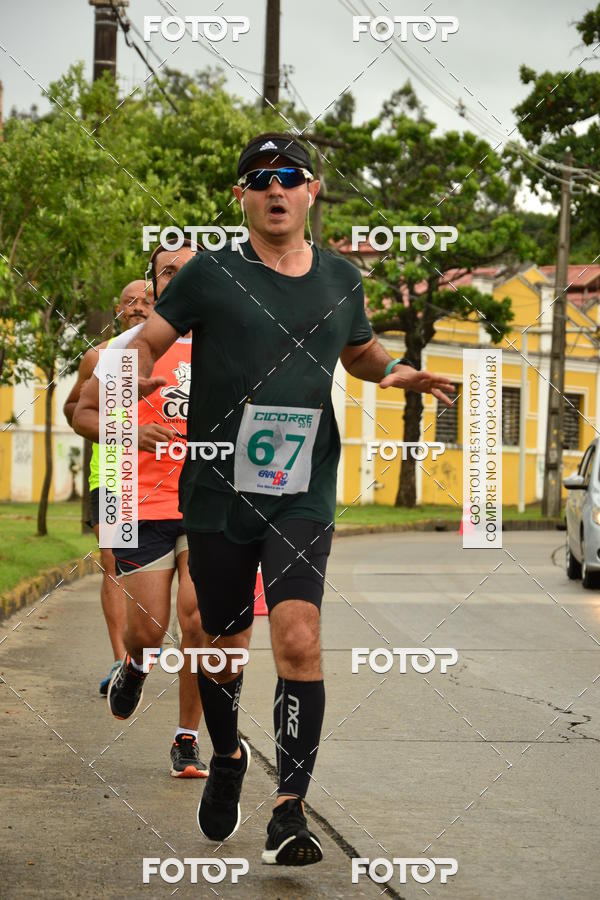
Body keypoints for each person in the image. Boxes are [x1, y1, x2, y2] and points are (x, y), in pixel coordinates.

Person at [74, 133, 455, 865]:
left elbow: (359, 352)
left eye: (290, 176)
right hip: (217, 491)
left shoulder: (342, 280)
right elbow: (150, 340)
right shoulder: (211, 275)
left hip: (301, 488)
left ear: (312, 191)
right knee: (220, 650)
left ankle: (289, 809)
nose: (275, 188)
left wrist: (404, 374)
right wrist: (137, 374)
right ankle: (226, 756)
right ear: (242, 197)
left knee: (299, 637)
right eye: (260, 178)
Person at [73, 245, 209, 778]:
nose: (179, 278)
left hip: (205, 501)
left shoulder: (226, 341)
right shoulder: (127, 349)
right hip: (138, 497)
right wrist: (130, 433)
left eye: (190, 269)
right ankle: (133, 663)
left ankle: (185, 739)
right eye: (167, 271)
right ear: (154, 286)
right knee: (149, 632)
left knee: (197, 622)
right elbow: (83, 415)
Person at [64, 280, 154, 694]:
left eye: (148, 301)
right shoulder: (101, 356)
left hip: (168, 478)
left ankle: (145, 653)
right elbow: (73, 407)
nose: (139, 307)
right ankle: (121, 660)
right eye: (131, 301)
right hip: (116, 475)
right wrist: (112, 427)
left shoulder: (183, 354)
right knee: (114, 564)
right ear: (118, 309)